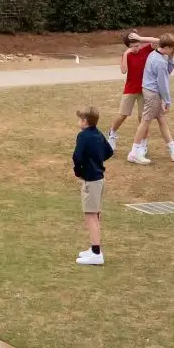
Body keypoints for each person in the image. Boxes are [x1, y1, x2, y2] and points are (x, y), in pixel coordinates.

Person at [106, 31, 163, 149]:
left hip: (145, 89)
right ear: (128, 47)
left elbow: (159, 41)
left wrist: (141, 38)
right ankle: (112, 133)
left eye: (138, 45)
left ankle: (143, 143)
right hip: (130, 89)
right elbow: (123, 70)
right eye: (133, 47)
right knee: (123, 114)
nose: (136, 48)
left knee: (143, 117)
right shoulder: (127, 55)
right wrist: (126, 54)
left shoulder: (146, 50)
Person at [130, 35, 174, 164]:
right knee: (145, 121)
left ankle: (173, 150)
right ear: (167, 47)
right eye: (172, 49)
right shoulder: (160, 62)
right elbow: (163, 84)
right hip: (153, 93)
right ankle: (134, 152)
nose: (173, 51)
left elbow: (167, 71)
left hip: (150, 91)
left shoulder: (154, 54)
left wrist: (171, 58)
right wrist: (167, 101)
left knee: (161, 119)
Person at [73, 106, 111, 265]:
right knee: (94, 214)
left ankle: (96, 253)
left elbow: (77, 156)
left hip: (91, 180)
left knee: (91, 216)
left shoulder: (83, 136)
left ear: (84, 121)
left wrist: (79, 171)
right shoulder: (98, 134)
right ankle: (93, 248)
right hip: (99, 178)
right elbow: (109, 151)